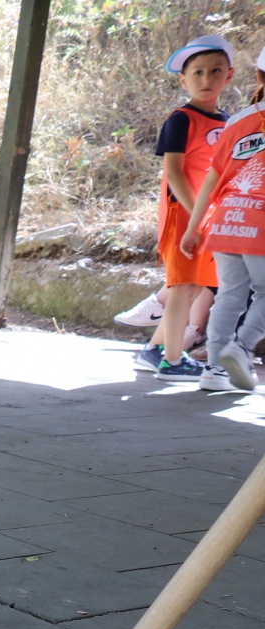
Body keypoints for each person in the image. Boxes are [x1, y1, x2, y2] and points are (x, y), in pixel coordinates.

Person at [147, 34, 235, 382]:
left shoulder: (230, 122)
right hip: (182, 214)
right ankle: (171, 361)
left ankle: (154, 351)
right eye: (197, 72)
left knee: (198, 283)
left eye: (216, 71)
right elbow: (174, 172)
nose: (206, 79)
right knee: (182, 285)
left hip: (208, 215)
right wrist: (195, 219)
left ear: (229, 75)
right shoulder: (181, 119)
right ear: (183, 80)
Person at [181, 47, 265, 393]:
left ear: (258, 76)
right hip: (260, 222)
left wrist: (193, 227)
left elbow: (213, 179)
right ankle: (241, 348)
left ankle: (215, 370)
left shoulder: (238, 120)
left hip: (227, 219)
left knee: (230, 294)